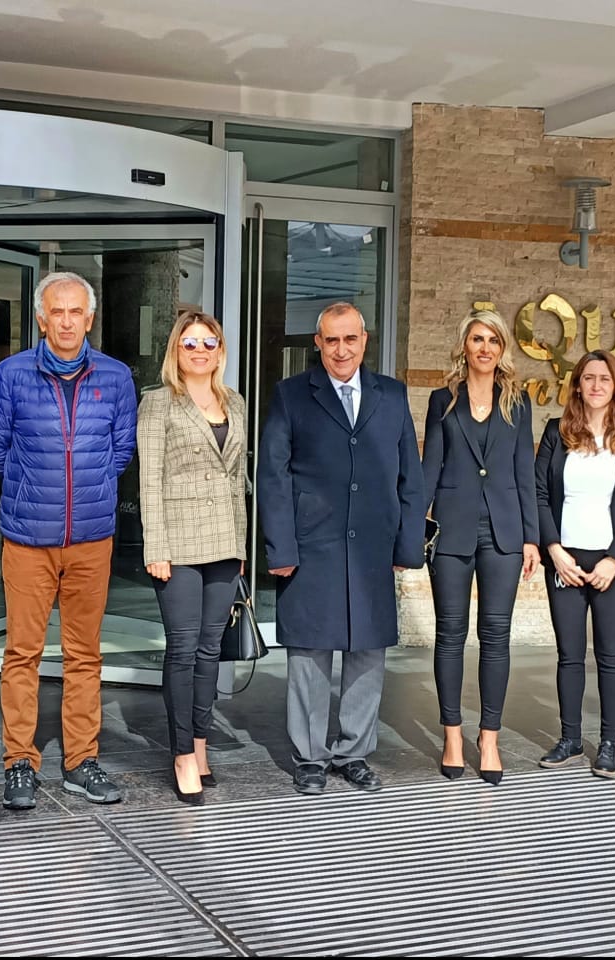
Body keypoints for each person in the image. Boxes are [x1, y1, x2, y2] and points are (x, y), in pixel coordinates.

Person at [0, 271, 137, 809]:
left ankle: (80, 761)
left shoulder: (115, 377)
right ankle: (19, 762)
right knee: (22, 653)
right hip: (28, 538)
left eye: (76, 312)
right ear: (41, 319)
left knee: (84, 655)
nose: (67, 321)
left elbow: (121, 451)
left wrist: (91, 492)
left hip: (91, 537)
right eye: (57, 311)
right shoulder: (9, 375)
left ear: (89, 319)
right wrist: (34, 492)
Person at [256, 301, 425, 796]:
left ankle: (354, 752)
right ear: (318, 343)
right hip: (312, 544)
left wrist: (408, 547)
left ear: (364, 340)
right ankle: (309, 757)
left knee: (367, 649)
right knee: (310, 650)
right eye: (331, 340)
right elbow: (273, 476)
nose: (341, 349)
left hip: (373, 545)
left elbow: (410, 476)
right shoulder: (291, 394)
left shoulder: (391, 395)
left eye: (350, 339)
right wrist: (280, 548)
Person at [421, 309, 541, 785]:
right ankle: (452, 735)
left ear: (502, 348)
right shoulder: (442, 400)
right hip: (452, 529)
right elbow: (430, 467)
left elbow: (525, 473)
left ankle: (489, 737)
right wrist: (414, 530)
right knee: (450, 634)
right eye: (477, 339)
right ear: (464, 346)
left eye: (493, 339)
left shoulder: (518, 402)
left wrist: (531, 537)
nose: (485, 347)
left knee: (496, 635)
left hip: (504, 532)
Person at [138, 309, 247, 804]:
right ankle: (182, 753)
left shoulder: (234, 401)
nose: (199, 351)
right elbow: (149, 482)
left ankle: (201, 746)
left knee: (209, 651)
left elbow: (237, 482)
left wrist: (240, 546)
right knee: (182, 650)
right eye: (190, 343)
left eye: (208, 343)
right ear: (175, 351)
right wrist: (156, 547)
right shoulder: (158, 403)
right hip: (178, 544)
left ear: (219, 351)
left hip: (223, 542)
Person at [535, 350, 615, 779]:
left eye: (605, 378)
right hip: (565, 560)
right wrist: (554, 550)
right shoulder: (556, 432)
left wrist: (614, 559)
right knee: (569, 655)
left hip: (614, 565)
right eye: (589, 378)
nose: (597, 385)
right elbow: (538, 494)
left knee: (610, 655)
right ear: (577, 385)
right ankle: (570, 739)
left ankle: (607, 745)